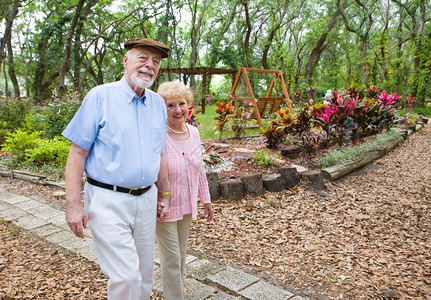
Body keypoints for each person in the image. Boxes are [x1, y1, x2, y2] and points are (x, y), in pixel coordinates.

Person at [62, 37, 171, 300]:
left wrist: (164, 194)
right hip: (107, 199)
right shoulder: (100, 96)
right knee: (126, 277)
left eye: (155, 62)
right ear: (126, 60)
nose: (149, 66)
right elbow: (77, 152)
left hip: (146, 199)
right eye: (143, 58)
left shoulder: (157, 103)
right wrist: (73, 204)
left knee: (144, 275)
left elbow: (160, 152)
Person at [155, 81, 214, 300]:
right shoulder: (159, 134)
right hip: (164, 207)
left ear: (188, 104)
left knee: (179, 255)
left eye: (181, 103)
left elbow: (199, 170)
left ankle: (174, 293)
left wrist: (206, 201)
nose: (178, 109)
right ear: (163, 108)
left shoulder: (195, 133)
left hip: (187, 205)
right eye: (170, 105)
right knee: (171, 258)